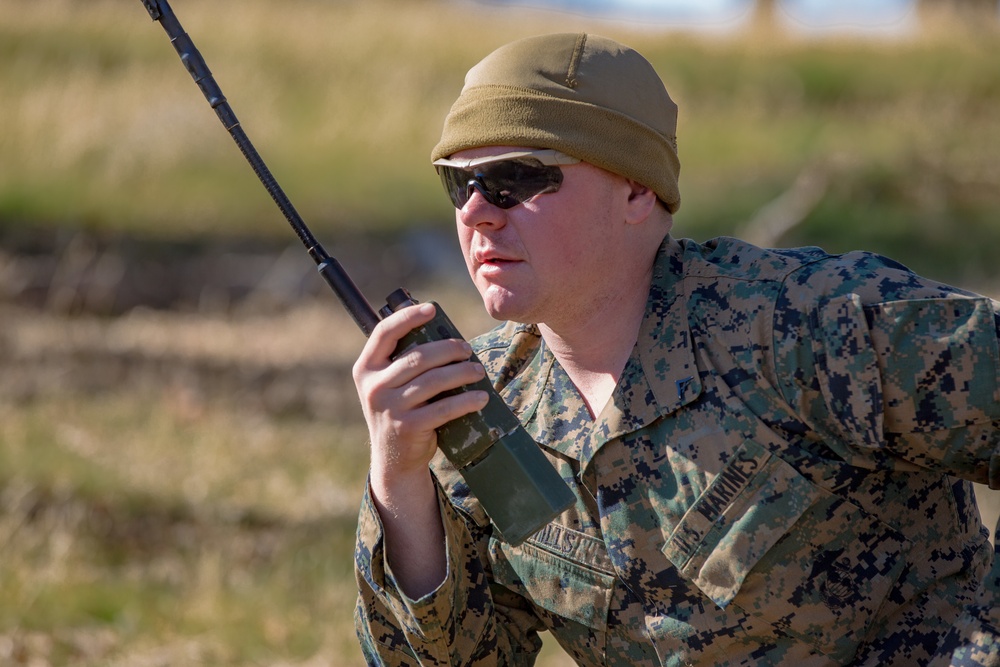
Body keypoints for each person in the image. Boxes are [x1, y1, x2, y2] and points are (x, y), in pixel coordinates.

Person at [351, 32, 1000, 666]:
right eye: (457, 184)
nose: (475, 214)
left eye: (514, 180)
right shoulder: (477, 407)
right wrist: (399, 482)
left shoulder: (809, 323)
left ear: (636, 190)